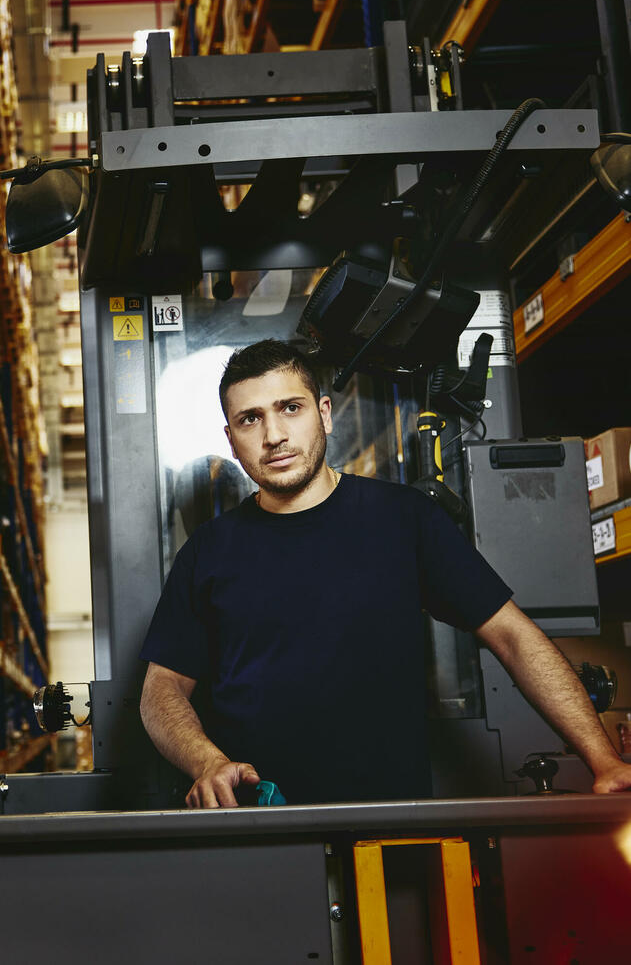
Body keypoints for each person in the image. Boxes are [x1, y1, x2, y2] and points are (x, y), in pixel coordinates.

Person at [139, 339, 631, 806]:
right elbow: (161, 689)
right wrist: (209, 763)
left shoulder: (403, 519)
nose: (274, 436)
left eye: (291, 408)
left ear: (324, 414)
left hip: (394, 823)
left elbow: (512, 635)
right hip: (260, 827)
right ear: (231, 438)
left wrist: (602, 759)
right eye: (250, 419)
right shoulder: (208, 552)